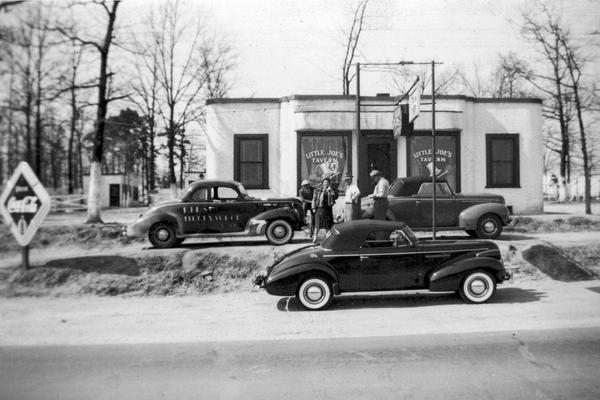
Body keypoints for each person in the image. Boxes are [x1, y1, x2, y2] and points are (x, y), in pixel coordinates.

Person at [312, 177, 338, 242]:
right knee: (317, 224)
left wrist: (330, 191)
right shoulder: (318, 190)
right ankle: (315, 237)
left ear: (329, 183)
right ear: (322, 183)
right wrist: (313, 208)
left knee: (327, 225)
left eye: (327, 182)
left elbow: (336, 197)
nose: (326, 183)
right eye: (325, 182)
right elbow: (314, 199)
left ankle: (327, 238)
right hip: (320, 208)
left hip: (328, 209)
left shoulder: (331, 190)